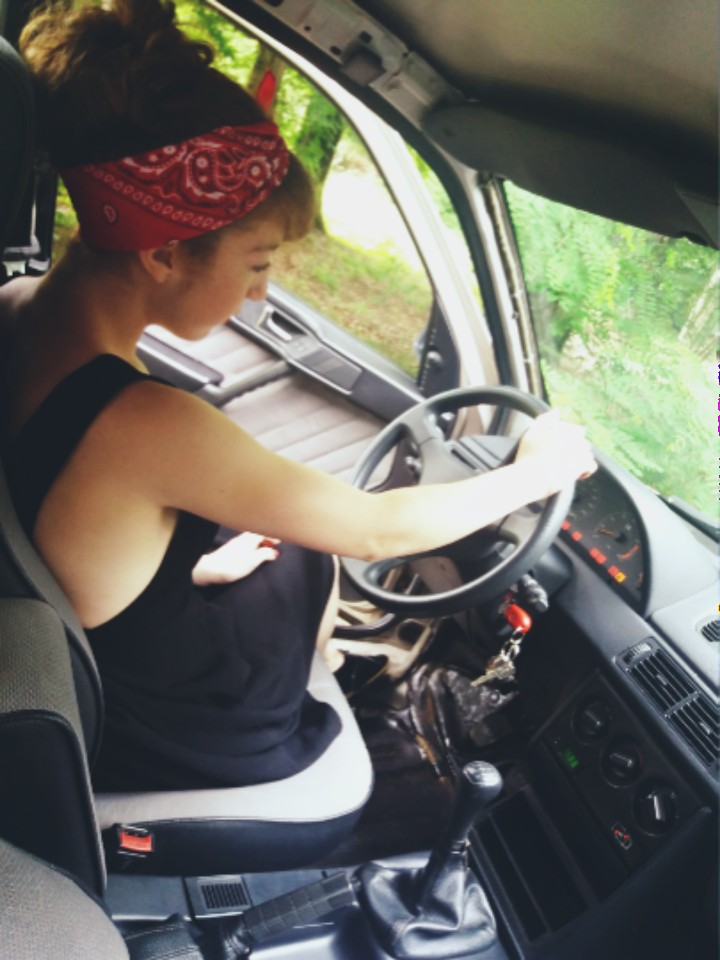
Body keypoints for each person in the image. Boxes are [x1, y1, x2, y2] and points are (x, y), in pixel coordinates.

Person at [0, 0, 596, 792]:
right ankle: (330, 699)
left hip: (71, 639)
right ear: (164, 252)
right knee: (312, 553)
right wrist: (539, 469)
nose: (260, 293)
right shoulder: (144, 421)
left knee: (280, 550)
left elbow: (56, 527)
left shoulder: (17, 306)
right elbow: (377, 531)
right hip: (150, 723)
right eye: (258, 264)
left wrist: (183, 573)